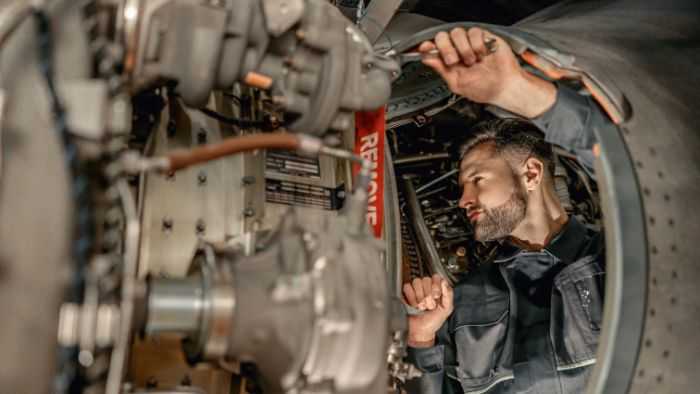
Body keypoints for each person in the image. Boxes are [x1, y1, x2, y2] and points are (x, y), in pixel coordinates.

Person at [403, 27, 608, 394]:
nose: (463, 199)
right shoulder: (462, 302)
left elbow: (631, 168)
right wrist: (422, 337)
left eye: (477, 179)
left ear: (530, 173)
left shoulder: (614, 263)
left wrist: (517, 92)